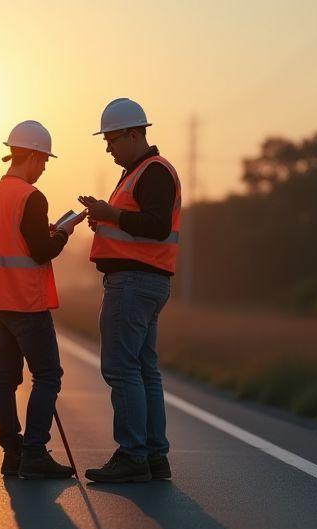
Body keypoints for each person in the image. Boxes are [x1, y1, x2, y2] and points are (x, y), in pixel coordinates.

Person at [78, 98, 181, 483]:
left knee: (122, 370)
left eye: (113, 139)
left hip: (134, 284)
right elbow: (140, 225)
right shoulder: (140, 172)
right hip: (147, 281)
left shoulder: (153, 172)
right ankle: (154, 456)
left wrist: (111, 215)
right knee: (144, 371)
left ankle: (133, 455)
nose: (108, 147)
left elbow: (153, 225)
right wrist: (107, 220)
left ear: (135, 134)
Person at [0, 120, 80, 479]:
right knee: (48, 375)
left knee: (5, 378)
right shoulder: (31, 197)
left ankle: (12, 452)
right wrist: (63, 234)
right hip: (26, 301)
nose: (43, 169)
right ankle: (35, 453)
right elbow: (41, 252)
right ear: (34, 156)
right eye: (44, 161)